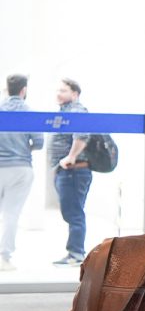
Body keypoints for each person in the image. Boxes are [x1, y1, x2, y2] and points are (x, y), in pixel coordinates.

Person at [0, 74, 43, 271]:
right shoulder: (29, 112)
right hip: (20, 168)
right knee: (11, 214)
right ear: (23, 90)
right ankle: (3, 258)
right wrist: (23, 148)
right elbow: (39, 143)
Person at [48, 78, 90, 266]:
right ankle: (75, 252)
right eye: (58, 90)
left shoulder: (77, 110)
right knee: (71, 212)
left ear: (75, 94)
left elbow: (82, 135)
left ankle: (76, 254)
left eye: (63, 90)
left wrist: (71, 156)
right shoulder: (65, 111)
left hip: (73, 171)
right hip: (67, 171)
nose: (59, 93)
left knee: (74, 213)